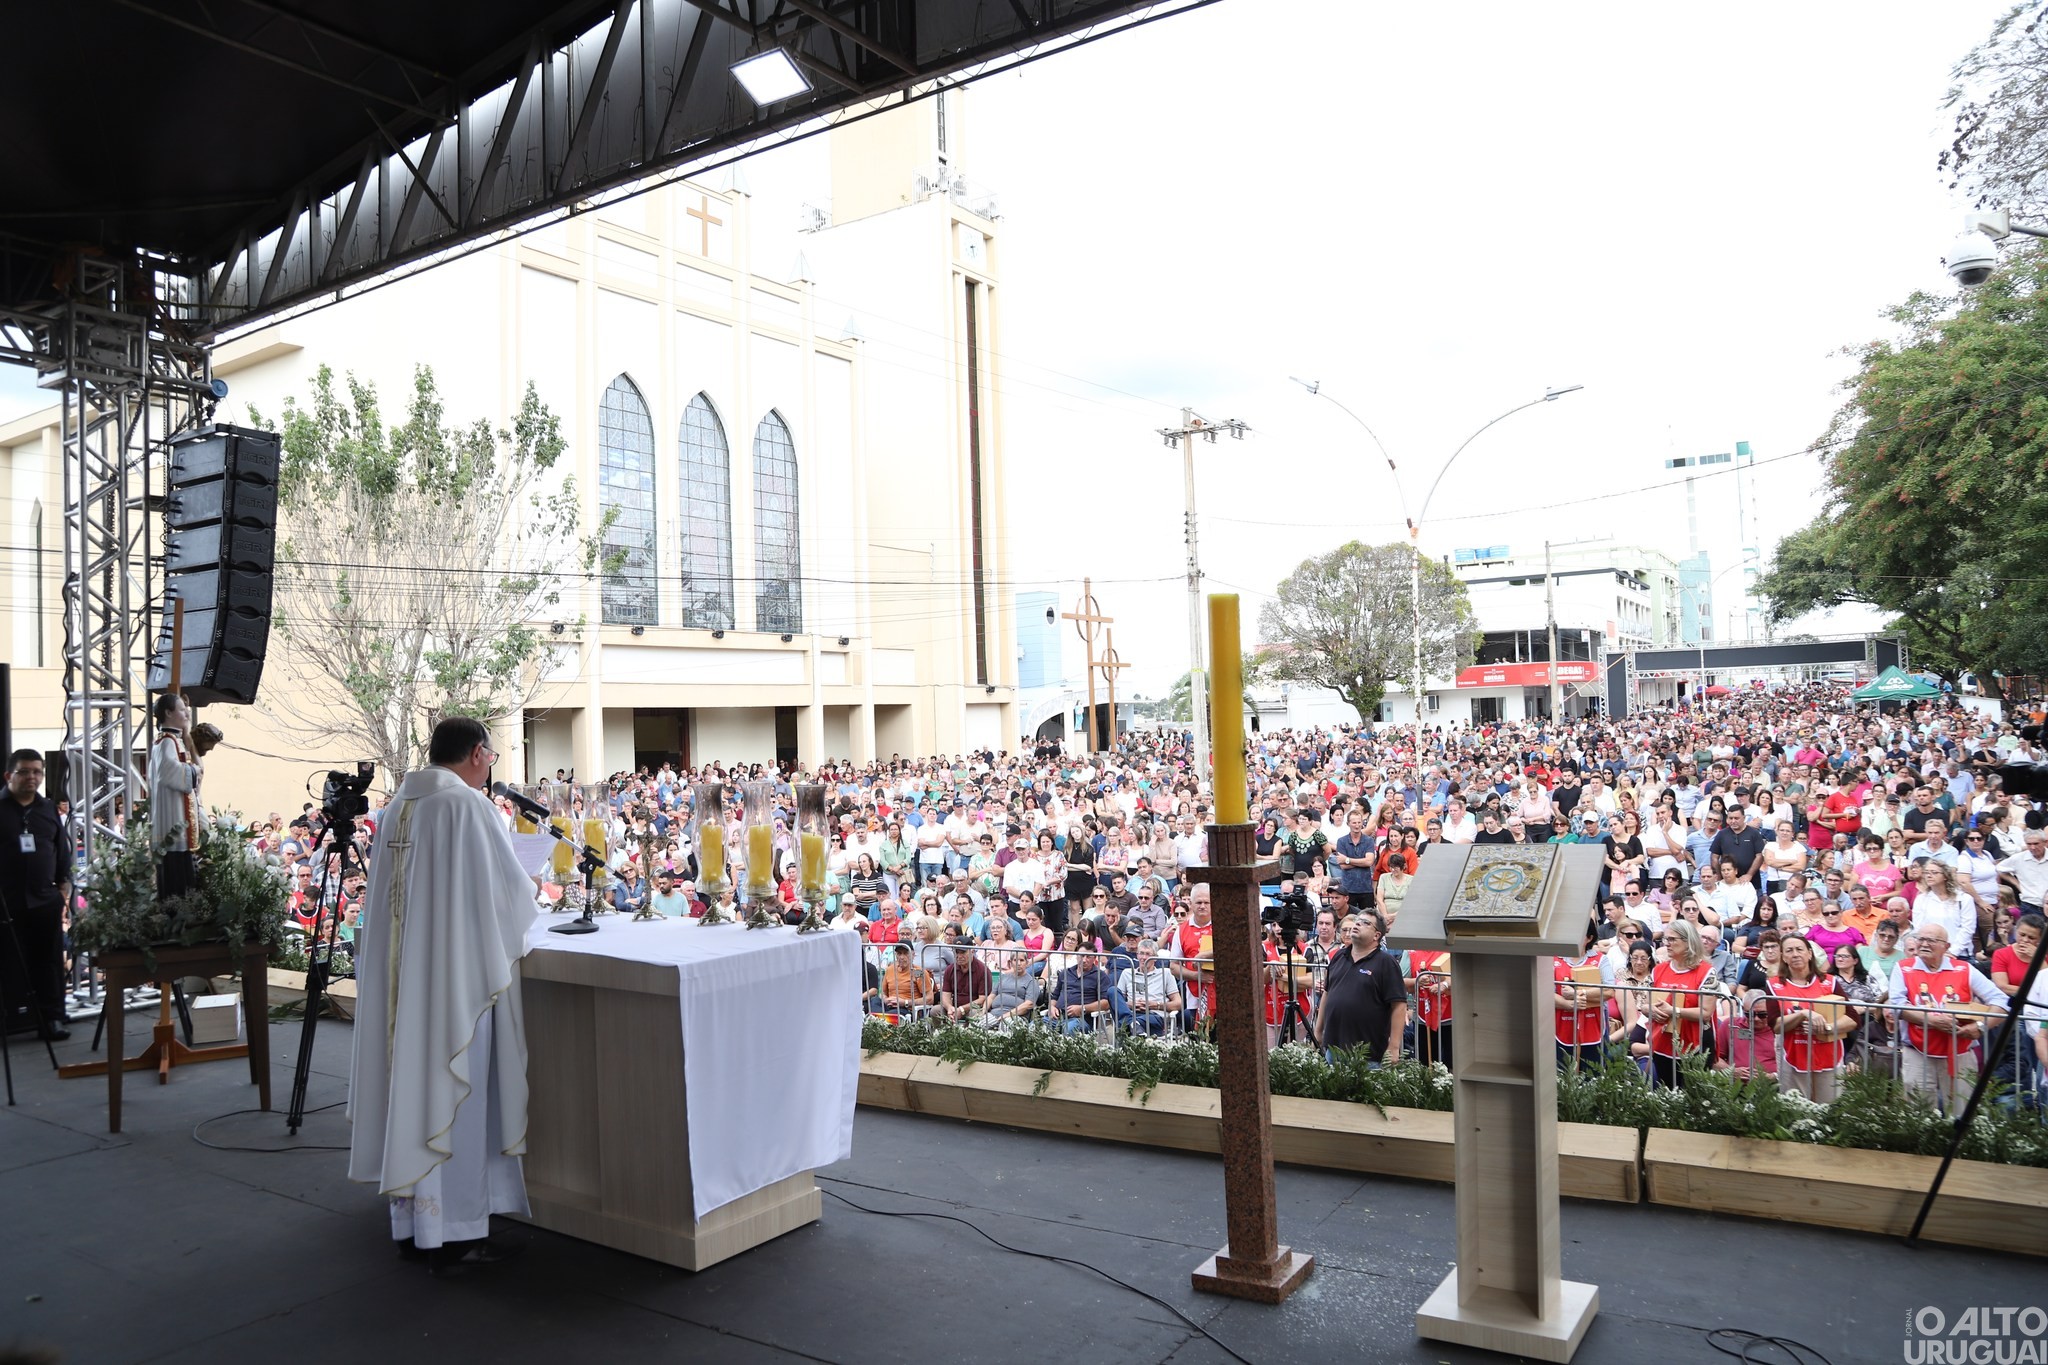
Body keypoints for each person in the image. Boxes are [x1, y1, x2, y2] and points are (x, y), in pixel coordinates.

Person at [349, 717, 540, 1275]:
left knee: (412, 1092)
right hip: (454, 984)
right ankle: (455, 1234)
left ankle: (414, 1227)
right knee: (457, 1097)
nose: (490, 768)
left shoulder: (400, 805)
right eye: (492, 758)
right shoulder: (466, 805)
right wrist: (535, 889)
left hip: (405, 982)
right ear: (478, 754)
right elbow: (508, 893)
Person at [1888, 923, 2007, 1112]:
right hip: (1917, 1052)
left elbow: (2001, 1001)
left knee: (1961, 1112)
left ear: (1946, 946)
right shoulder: (1903, 968)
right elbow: (1896, 1006)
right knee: (1917, 1114)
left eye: (1931, 940)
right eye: (1920, 939)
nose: (1924, 944)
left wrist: (1980, 1026)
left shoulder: (1964, 969)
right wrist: (1931, 1020)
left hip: (1960, 1052)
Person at [0, 749, 73, 1040]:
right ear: (9, 775)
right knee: (8, 961)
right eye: (25, 771)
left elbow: (61, 849)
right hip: (7, 902)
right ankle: (10, 1019)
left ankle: (51, 1019)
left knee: (49, 962)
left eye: (37, 772)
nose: (32, 777)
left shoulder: (47, 808)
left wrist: (63, 888)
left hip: (44, 899)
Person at [1768, 933, 1855, 1103]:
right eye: (1789, 951)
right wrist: (1802, 1014)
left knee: (1829, 1110)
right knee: (1795, 1111)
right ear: (1783, 957)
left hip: (1829, 1056)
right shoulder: (1774, 985)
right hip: (1793, 1057)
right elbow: (1775, 1026)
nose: (1795, 954)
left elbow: (1852, 1019)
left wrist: (1827, 1028)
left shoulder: (1830, 982)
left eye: (1799, 949)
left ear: (1809, 954)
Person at [1313, 911, 1407, 1065]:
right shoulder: (1338, 956)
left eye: (1365, 923)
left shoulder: (1386, 963)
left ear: (1376, 935)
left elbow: (1399, 1005)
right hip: (1333, 1050)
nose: (1357, 924)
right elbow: (1327, 994)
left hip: (1368, 1057)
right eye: (1357, 920)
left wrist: (1394, 1047)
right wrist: (1317, 1032)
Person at [148, 691, 205, 899]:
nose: (187, 714)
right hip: (172, 821)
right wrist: (193, 770)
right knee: (176, 882)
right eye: (182, 709)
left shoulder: (173, 740)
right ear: (168, 713)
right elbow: (168, 772)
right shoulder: (166, 742)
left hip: (177, 818)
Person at [1648, 919, 1713, 1089]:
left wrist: (1674, 1011)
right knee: (1666, 1093)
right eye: (1665, 939)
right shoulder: (1658, 970)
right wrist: (1651, 1010)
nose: (1666, 944)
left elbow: (1706, 1013)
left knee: (1693, 1097)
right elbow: (1645, 1003)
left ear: (1688, 941)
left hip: (1694, 1046)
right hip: (1662, 1044)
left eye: (1672, 939)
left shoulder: (1706, 972)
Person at [1117, 938, 1182, 1035]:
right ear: (1137, 955)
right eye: (1141, 953)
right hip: (1131, 1013)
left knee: (1127, 1022)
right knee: (1112, 991)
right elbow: (1118, 1001)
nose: (1143, 957)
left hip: (1154, 1015)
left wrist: (1156, 1005)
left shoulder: (1165, 973)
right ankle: (1134, 1025)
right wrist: (1129, 1005)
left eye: (1148, 954)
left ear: (1155, 958)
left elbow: (1178, 1004)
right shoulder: (1127, 973)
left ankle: (1133, 1024)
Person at [1048, 946, 1113, 1034]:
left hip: (1081, 1019)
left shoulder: (1101, 976)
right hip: (1057, 1017)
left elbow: (1106, 1003)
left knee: (1069, 1029)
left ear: (1094, 958)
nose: (1084, 960)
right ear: (1076, 956)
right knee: (1034, 1026)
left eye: (1088, 957)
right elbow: (1055, 996)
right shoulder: (1065, 973)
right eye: (1081, 955)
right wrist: (1051, 1007)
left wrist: (1082, 1008)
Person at [937, 943, 992, 1024]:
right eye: (956, 952)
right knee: (936, 1010)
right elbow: (945, 994)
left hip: (974, 1008)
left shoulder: (983, 970)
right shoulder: (950, 969)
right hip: (954, 1007)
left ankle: (966, 1032)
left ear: (972, 951)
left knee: (974, 1013)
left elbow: (982, 999)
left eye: (963, 952)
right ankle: (943, 1031)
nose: (959, 956)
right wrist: (949, 1008)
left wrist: (962, 1009)